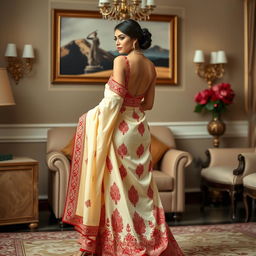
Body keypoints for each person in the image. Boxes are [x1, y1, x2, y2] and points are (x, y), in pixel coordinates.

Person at [63, 19, 184, 256]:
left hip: (119, 128)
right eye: (115, 38)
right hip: (139, 129)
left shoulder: (122, 61)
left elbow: (114, 101)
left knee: (116, 187)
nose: (117, 43)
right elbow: (148, 104)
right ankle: (149, 239)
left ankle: (123, 243)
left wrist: (88, 117)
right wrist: (133, 104)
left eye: (122, 37)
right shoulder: (150, 66)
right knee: (142, 190)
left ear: (135, 39)